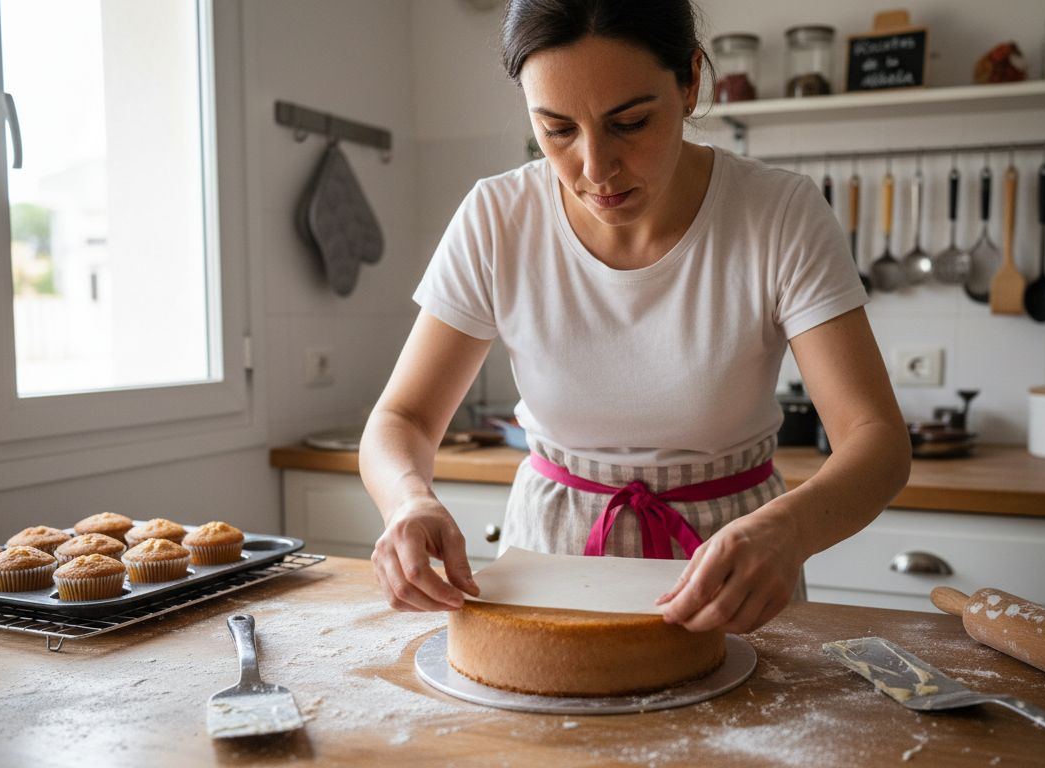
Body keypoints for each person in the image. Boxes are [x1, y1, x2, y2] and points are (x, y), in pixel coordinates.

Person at [360, 0, 910, 635]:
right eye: (558, 129)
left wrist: (788, 530)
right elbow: (402, 418)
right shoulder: (496, 217)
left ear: (691, 82)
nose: (595, 169)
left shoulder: (778, 214)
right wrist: (407, 500)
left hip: (736, 561)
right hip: (553, 557)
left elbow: (876, 440)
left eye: (631, 123)